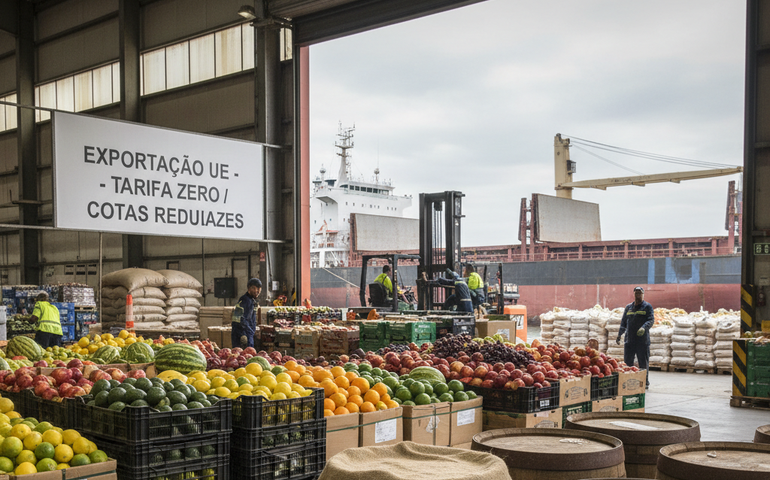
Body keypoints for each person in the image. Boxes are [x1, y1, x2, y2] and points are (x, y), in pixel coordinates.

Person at [616, 286, 654, 389]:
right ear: (634, 294)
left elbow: (651, 320)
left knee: (643, 362)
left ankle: (644, 382)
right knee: (628, 362)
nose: (638, 295)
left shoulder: (647, 307)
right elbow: (623, 322)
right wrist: (620, 334)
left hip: (642, 341)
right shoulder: (628, 307)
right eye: (636, 293)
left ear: (643, 294)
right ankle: (628, 381)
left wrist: (644, 328)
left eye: (640, 293)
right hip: (630, 340)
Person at [231, 278, 262, 349]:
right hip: (243, 334)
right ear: (248, 288)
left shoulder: (251, 300)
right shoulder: (245, 300)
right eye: (253, 288)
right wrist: (249, 333)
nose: (256, 291)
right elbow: (241, 319)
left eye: (258, 289)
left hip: (247, 333)